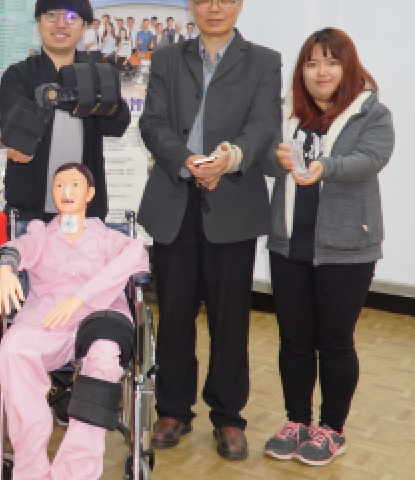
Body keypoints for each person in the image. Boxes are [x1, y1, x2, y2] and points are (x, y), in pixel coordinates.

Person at [137, 0, 282, 460]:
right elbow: (152, 122)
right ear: (191, 6)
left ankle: (228, 416)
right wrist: (188, 161)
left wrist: (228, 159)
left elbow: (263, 125)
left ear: (238, 4)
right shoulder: (167, 58)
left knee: (230, 317)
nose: (213, 7)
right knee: (174, 313)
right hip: (173, 200)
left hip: (233, 202)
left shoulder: (264, 61)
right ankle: (172, 409)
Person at [261, 28, 394, 466]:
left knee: (335, 342)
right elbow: (265, 160)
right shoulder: (286, 114)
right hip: (288, 244)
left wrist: (324, 166)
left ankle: (332, 429)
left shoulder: (372, 113)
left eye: (332, 62)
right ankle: (297, 422)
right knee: (294, 340)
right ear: (302, 69)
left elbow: (370, 159)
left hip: (346, 247)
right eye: (313, 62)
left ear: (348, 67)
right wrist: (275, 159)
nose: (322, 72)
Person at [0, 162, 150, 480]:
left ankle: (76, 471)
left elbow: (137, 255)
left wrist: (81, 297)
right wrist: (6, 269)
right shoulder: (40, 234)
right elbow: (12, 249)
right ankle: (31, 470)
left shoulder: (108, 238)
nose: (66, 190)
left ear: (90, 193)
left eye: (75, 185)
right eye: (60, 185)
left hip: (98, 320)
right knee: (12, 352)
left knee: (105, 356)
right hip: (46, 320)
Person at [0, 0, 131, 236]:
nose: (61, 24)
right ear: (38, 23)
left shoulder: (98, 74)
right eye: (52, 15)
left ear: (83, 27)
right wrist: (63, 94)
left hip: (85, 211)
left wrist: (108, 103)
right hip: (29, 213)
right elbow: (14, 131)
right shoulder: (18, 75)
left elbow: (118, 125)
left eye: (71, 17)